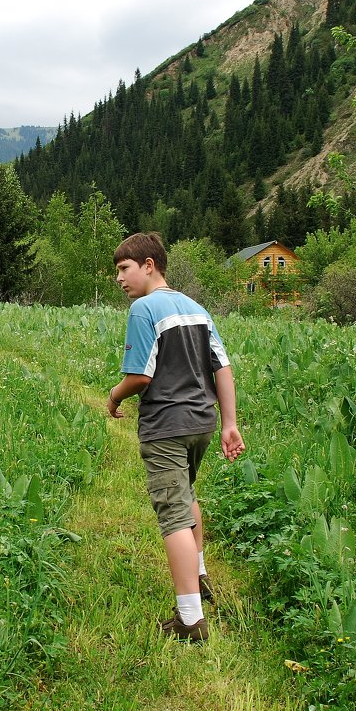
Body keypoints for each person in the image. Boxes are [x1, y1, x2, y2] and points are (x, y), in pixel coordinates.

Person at [106, 232, 245, 642]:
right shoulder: (196, 308)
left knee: (173, 517)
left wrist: (114, 395)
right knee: (186, 497)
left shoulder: (143, 309)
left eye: (123, 268)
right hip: (202, 423)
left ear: (149, 264)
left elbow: (141, 376)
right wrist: (229, 423)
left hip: (166, 425)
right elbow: (222, 368)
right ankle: (199, 575)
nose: (119, 278)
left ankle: (189, 619)